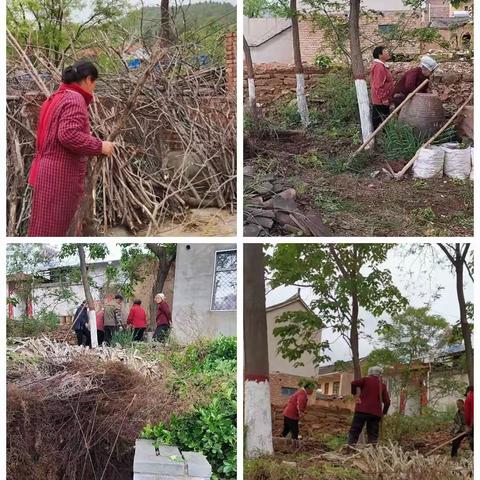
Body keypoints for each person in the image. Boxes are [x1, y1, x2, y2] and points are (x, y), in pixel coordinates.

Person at [28, 60, 115, 236]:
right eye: (94, 82)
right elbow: (68, 135)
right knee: (57, 229)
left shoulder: (56, 97)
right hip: (60, 177)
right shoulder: (75, 99)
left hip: (47, 172)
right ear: (89, 79)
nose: (94, 88)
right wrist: (100, 146)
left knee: (44, 227)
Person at [348, 366, 390, 445]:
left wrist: (355, 396)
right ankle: (372, 453)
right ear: (380, 375)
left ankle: (350, 449)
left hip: (361, 411)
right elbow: (387, 402)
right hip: (375, 414)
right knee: (373, 434)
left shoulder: (366, 380)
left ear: (370, 373)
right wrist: (383, 413)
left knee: (355, 431)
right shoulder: (382, 386)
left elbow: (353, 383)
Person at [370, 46, 394, 129]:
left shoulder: (381, 66)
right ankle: (374, 138)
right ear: (380, 55)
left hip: (382, 99)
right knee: (380, 121)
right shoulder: (379, 67)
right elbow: (378, 85)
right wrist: (383, 98)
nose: (387, 53)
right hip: (380, 100)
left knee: (382, 120)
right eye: (385, 51)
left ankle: (379, 138)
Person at [464, 385, 474, 451]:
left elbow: (467, 414)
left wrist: (467, 425)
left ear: (469, 391)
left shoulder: (469, 398)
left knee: (472, 440)